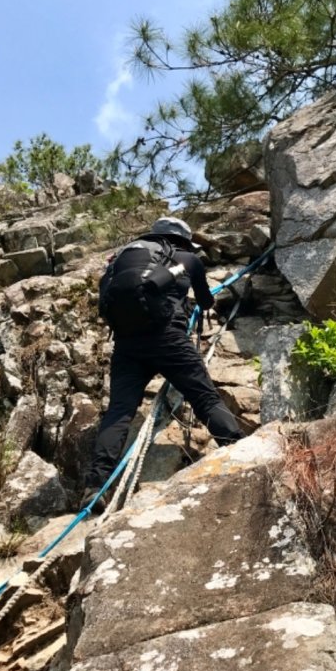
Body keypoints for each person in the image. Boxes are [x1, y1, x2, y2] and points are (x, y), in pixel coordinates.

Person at [82, 216, 243, 512]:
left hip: (127, 343)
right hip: (168, 339)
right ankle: (241, 453)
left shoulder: (123, 258)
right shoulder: (186, 258)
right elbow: (206, 302)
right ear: (182, 240)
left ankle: (95, 487)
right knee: (204, 398)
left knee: (119, 412)